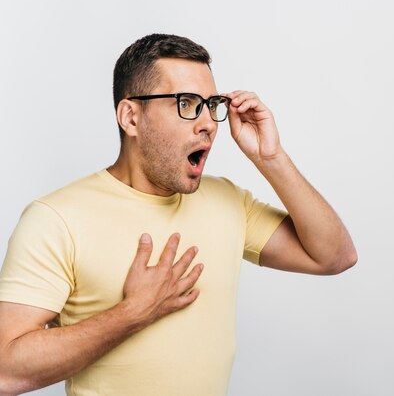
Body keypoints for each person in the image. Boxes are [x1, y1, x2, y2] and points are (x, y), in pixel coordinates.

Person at [0, 34, 357, 396]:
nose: (208, 124)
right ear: (131, 117)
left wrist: (271, 158)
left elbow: (334, 256)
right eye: (186, 103)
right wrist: (133, 313)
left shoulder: (228, 200)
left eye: (211, 104)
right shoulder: (56, 218)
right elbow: (5, 371)